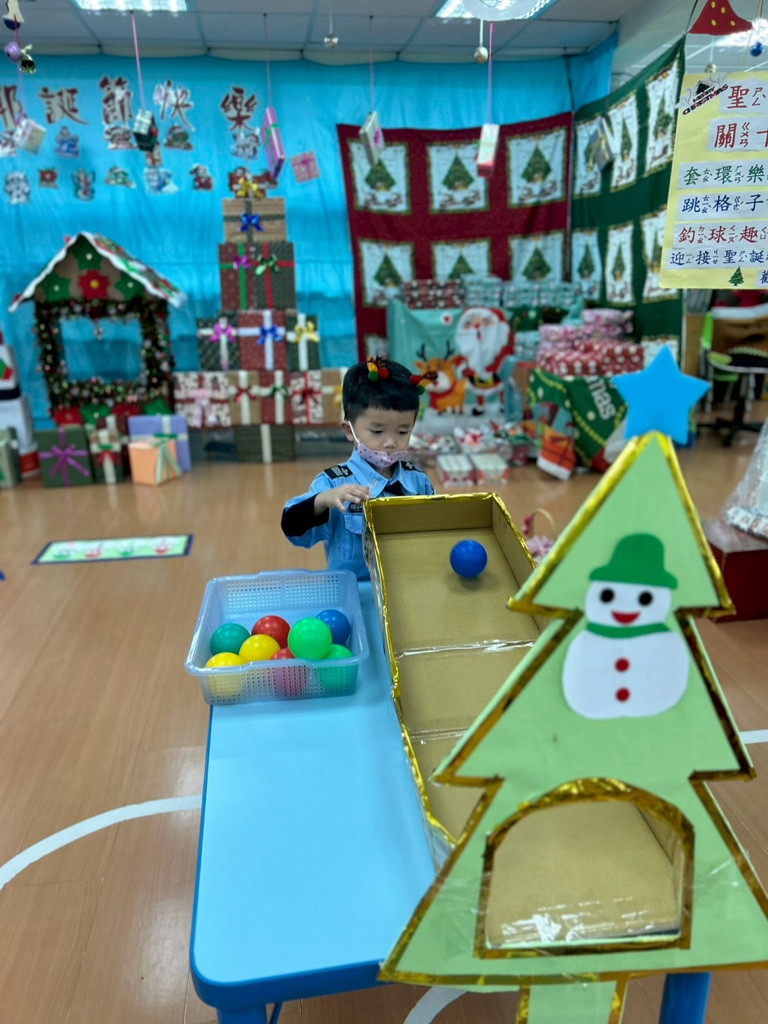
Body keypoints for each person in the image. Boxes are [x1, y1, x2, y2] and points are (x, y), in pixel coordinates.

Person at [281, 359, 434, 580]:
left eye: (403, 432)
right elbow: (292, 527)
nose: (390, 442)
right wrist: (322, 500)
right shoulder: (333, 483)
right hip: (353, 592)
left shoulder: (418, 481)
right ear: (349, 430)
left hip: (407, 587)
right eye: (377, 431)